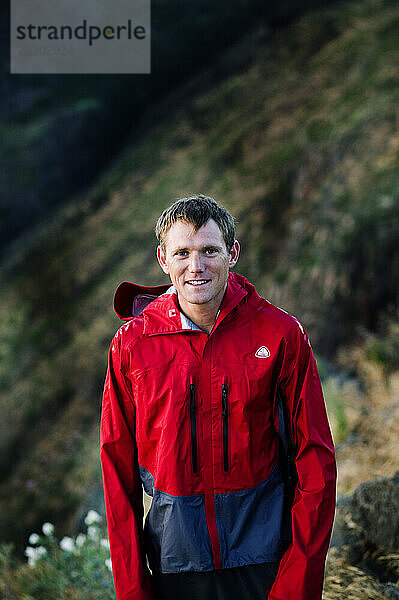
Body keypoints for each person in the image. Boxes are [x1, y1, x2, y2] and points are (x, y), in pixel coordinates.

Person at [100, 194, 337, 600]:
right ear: (162, 258)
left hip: (266, 563)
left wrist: (298, 582)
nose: (197, 266)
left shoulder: (280, 335)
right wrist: (133, 590)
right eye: (183, 253)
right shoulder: (132, 346)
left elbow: (316, 462)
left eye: (210, 250)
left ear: (233, 253)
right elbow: (116, 477)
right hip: (175, 567)